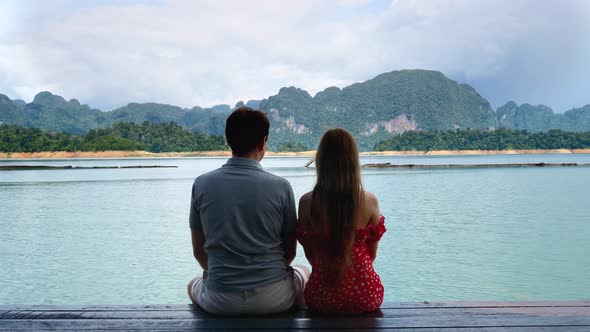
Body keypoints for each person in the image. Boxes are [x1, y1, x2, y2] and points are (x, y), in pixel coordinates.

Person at [187, 106, 309, 315]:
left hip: (219, 301)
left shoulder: (202, 184)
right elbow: (290, 251)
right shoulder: (281, 186)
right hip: (275, 299)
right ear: (263, 142)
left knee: (192, 284)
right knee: (304, 271)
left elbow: (199, 252)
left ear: (228, 141)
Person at [296, 128, 386, 314]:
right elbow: (372, 255)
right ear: (353, 161)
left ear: (321, 160)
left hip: (321, 298)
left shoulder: (306, 202)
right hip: (366, 296)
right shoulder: (370, 201)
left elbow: (311, 256)